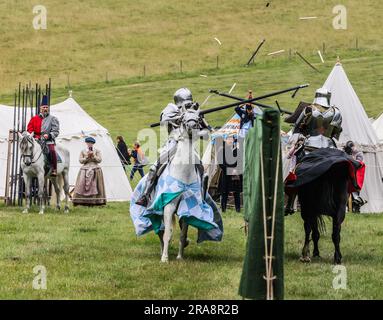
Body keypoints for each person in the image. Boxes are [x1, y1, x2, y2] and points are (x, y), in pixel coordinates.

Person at [135, 87, 211, 207]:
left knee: (203, 171)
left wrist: (196, 123)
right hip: (173, 143)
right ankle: (145, 195)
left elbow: (206, 133)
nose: (187, 105)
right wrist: (180, 117)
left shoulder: (194, 111)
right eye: (185, 103)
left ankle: (202, 199)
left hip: (189, 146)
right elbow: (163, 122)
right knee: (155, 167)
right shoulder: (170, 109)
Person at [27, 94, 59, 176]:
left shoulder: (53, 118)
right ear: (40, 108)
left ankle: (54, 169)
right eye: (43, 107)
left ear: (48, 108)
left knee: (52, 151)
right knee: (27, 149)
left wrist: (49, 135)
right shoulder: (34, 118)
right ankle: (26, 167)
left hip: (48, 140)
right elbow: (29, 129)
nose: (45, 109)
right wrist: (33, 136)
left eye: (46, 107)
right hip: (36, 139)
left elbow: (56, 131)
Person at [72, 137, 106, 206]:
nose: (90, 144)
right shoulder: (83, 151)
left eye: (91, 143)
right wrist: (87, 157)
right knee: (81, 184)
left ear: (93, 144)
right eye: (88, 143)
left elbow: (99, 160)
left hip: (95, 168)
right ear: (86, 143)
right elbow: (80, 161)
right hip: (85, 168)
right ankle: (80, 201)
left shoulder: (97, 151)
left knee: (95, 185)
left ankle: (95, 201)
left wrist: (94, 156)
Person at [218, 137, 242, 213]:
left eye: (231, 139)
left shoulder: (237, 151)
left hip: (235, 175)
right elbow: (221, 163)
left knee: (236, 192)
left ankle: (238, 209)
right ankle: (223, 209)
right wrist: (230, 170)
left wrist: (236, 170)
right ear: (225, 140)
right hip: (226, 174)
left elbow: (240, 162)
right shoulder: (222, 151)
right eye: (229, 139)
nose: (230, 140)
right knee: (224, 192)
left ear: (233, 140)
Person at [343, 140, 367, 212]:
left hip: (355, 177)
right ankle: (346, 209)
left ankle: (356, 209)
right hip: (346, 177)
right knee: (345, 194)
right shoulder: (344, 153)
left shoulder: (358, 153)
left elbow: (358, 164)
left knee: (355, 194)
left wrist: (350, 157)